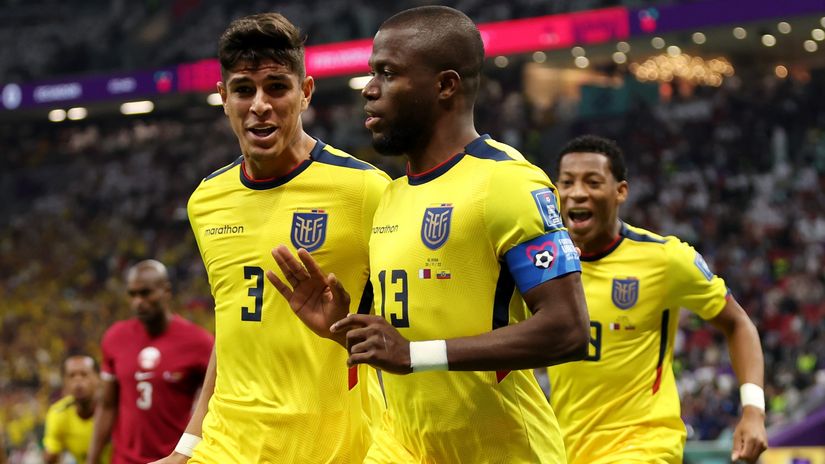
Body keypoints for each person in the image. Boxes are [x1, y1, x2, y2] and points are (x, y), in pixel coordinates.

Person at [268, 6, 590, 463]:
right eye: (370, 72)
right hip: (403, 447)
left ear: (445, 86)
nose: (370, 89)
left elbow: (569, 330)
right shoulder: (390, 196)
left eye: (388, 73)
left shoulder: (507, 182)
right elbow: (413, 331)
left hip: (504, 451)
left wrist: (416, 354)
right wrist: (345, 329)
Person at [152, 12, 390, 464]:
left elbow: (407, 326)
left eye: (277, 87)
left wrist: (346, 330)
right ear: (223, 97)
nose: (259, 103)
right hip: (227, 447)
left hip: (334, 448)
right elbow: (235, 327)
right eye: (243, 89)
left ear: (305, 93)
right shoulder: (206, 201)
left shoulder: (365, 191)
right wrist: (187, 446)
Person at [546, 134, 768, 463]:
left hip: (644, 445)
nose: (577, 192)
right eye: (567, 182)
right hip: (565, 448)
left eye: (593, 182)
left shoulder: (665, 259)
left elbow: (736, 322)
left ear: (621, 191)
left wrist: (753, 411)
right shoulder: (543, 264)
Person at [87, 260, 213, 464]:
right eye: (132, 294)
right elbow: (107, 405)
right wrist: (91, 460)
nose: (138, 301)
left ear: (166, 291)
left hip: (172, 460)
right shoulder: (115, 337)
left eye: (145, 293)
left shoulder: (200, 343)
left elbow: (213, 402)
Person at [43, 355, 110, 464]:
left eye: (84, 374)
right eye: (71, 376)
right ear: (64, 382)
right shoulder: (58, 413)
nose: (78, 380)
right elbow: (51, 457)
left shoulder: (114, 408)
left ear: (98, 378)